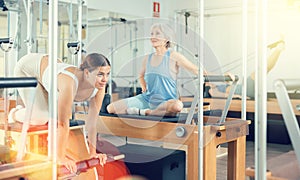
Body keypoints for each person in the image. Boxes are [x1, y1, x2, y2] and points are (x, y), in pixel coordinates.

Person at [8, 53, 110, 173]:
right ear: (87, 73)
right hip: (28, 69)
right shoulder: (69, 83)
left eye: (107, 74)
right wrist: (60, 158)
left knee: (51, 112)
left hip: (51, 70)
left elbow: (92, 122)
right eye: (100, 74)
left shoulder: (100, 87)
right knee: (40, 117)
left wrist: (92, 153)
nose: (105, 79)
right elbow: (62, 124)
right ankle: (14, 113)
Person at [107, 23, 201, 117]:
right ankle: (148, 111)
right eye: (152, 34)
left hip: (166, 102)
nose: (153, 36)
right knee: (111, 108)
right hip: (147, 99)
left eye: (157, 34)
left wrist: (210, 77)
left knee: (177, 106)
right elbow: (141, 75)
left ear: (167, 38)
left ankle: (145, 112)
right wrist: (144, 87)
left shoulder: (174, 56)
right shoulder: (147, 58)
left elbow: (195, 70)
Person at [207, 39, 285, 99]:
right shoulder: (211, 90)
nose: (210, 82)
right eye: (207, 82)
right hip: (243, 91)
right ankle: (278, 50)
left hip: (243, 88)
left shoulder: (219, 86)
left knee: (263, 70)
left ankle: (278, 50)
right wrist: (236, 96)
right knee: (262, 70)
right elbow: (217, 94)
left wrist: (228, 79)